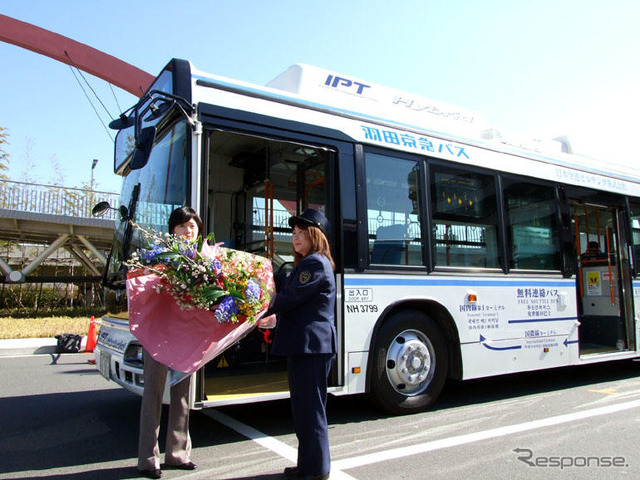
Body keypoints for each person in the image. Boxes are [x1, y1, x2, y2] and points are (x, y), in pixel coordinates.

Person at [260, 208, 336, 480]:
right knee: (304, 411)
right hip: (305, 347)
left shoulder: (315, 264)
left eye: (302, 232)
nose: (295, 237)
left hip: (310, 348)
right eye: (293, 232)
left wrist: (259, 304)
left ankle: (316, 469)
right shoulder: (307, 264)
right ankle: (308, 465)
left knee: (310, 410)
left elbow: (289, 298)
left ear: (315, 235)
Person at [137, 206, 202, 479]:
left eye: (193, 227)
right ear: (172, 230)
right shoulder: (159, 257)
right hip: (159, 337)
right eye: (183, 226)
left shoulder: (203, 260)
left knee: (183, 397)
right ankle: (148, 459)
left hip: (187, 338)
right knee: (153, 395)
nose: (188, 231)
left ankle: (177, 454)